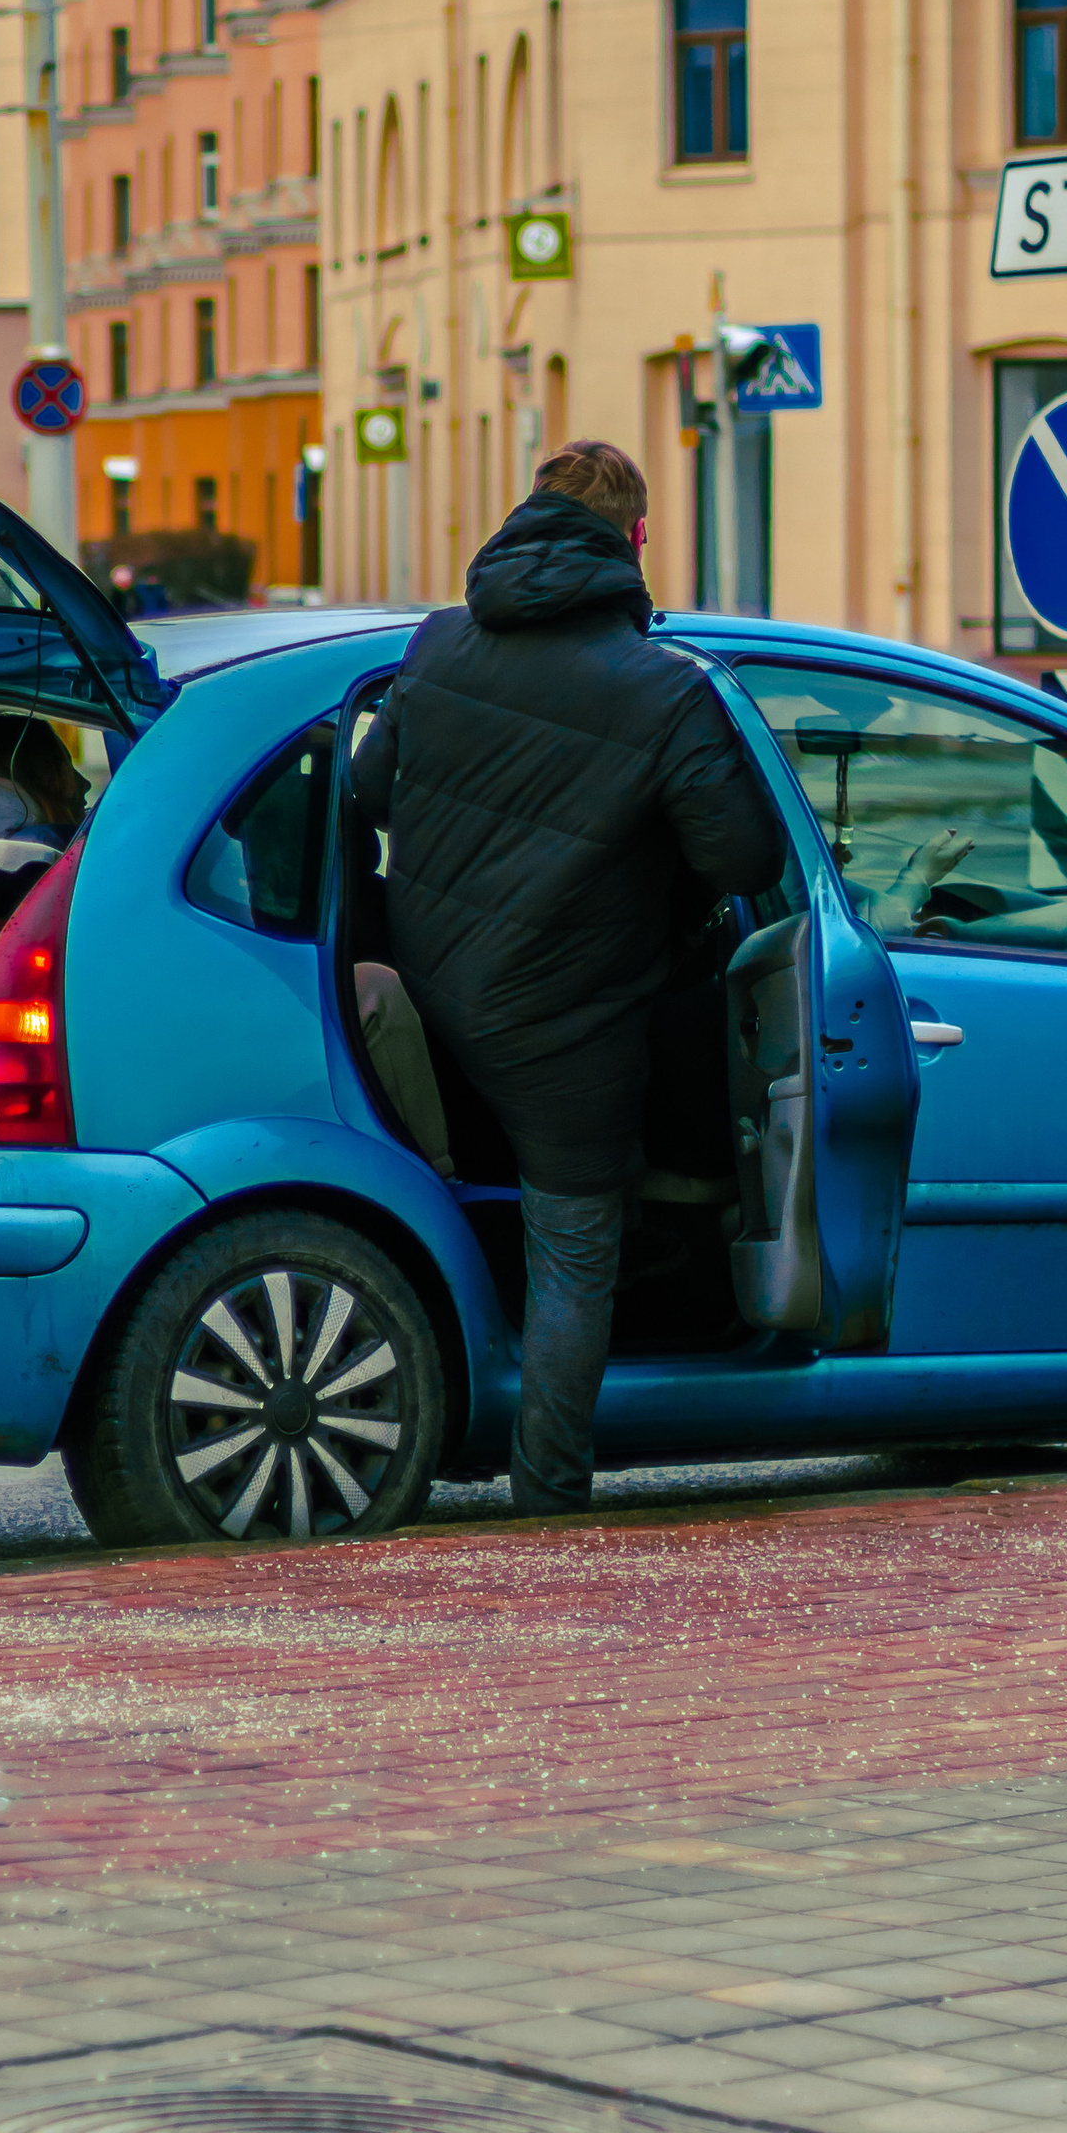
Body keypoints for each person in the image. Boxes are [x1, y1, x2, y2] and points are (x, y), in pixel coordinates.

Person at [351, 438, 781, 1520]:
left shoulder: (437, 644)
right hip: (566, 1027)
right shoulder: (663, 691)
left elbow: (364, 793)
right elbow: (744, 864)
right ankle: (546, 1494)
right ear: (634, 541)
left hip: (428, 988)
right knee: (573, 1260)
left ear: (520, 521)